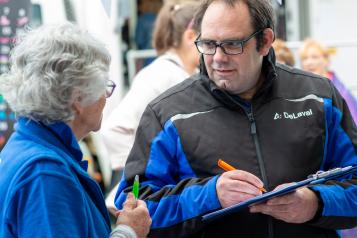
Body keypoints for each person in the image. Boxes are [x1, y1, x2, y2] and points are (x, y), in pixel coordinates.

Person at [113, 0, 357, 237]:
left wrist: (316, 203)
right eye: (208, 44)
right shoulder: (167, 113)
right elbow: (133, 205)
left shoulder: (318, 97)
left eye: (232, 44)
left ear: (265, 41)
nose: (218, 58)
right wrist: (210, 195)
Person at [0, 23, 151, 238]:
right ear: (78, 98)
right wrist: (128, 232)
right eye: (104, 86)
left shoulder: (26, 147)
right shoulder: (46, 173)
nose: (106, 97)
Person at [102, 0, 200, 192]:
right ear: (190, 37)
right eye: (208, 39)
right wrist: (141, 181)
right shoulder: (160, 74)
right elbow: (114, 129)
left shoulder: (185, 73)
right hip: (155, 197)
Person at [299, 38, 357, 123]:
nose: (309, 62)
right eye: (305, 58)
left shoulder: (339, 91)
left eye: (314, 57)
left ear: (326, 60)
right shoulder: (300, 88)